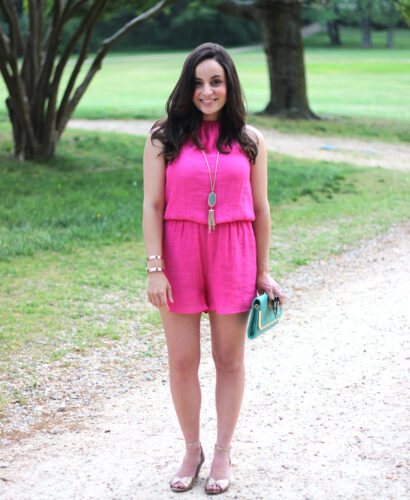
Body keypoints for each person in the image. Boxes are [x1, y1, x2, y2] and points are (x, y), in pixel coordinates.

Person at [142, 42, 285, 495]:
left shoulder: (250, 140)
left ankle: (222, 452)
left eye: (216, 82)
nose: (207, 91)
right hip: (178, 255)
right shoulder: (163, 137)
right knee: (183, 361)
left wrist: (263, 271)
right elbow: (152, 203)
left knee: (229, 360)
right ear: (187, 85)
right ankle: (191, 448)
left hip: (234, 253)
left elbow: (261, 208)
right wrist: (154, 267)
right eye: (199, 82)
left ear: (229, 86)